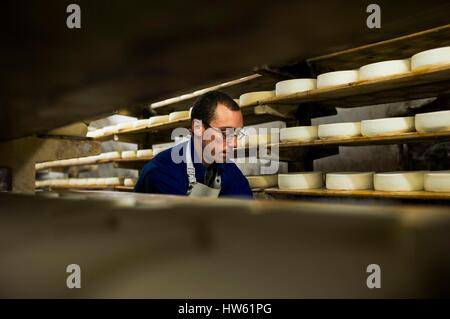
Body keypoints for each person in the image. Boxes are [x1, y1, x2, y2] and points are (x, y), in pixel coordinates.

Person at [134, 91, 253, 198]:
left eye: (236, 134)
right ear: (198, 128)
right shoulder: (162, 173)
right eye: (225, 133)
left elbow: (245, 213)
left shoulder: (228, 169)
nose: (234, 143)